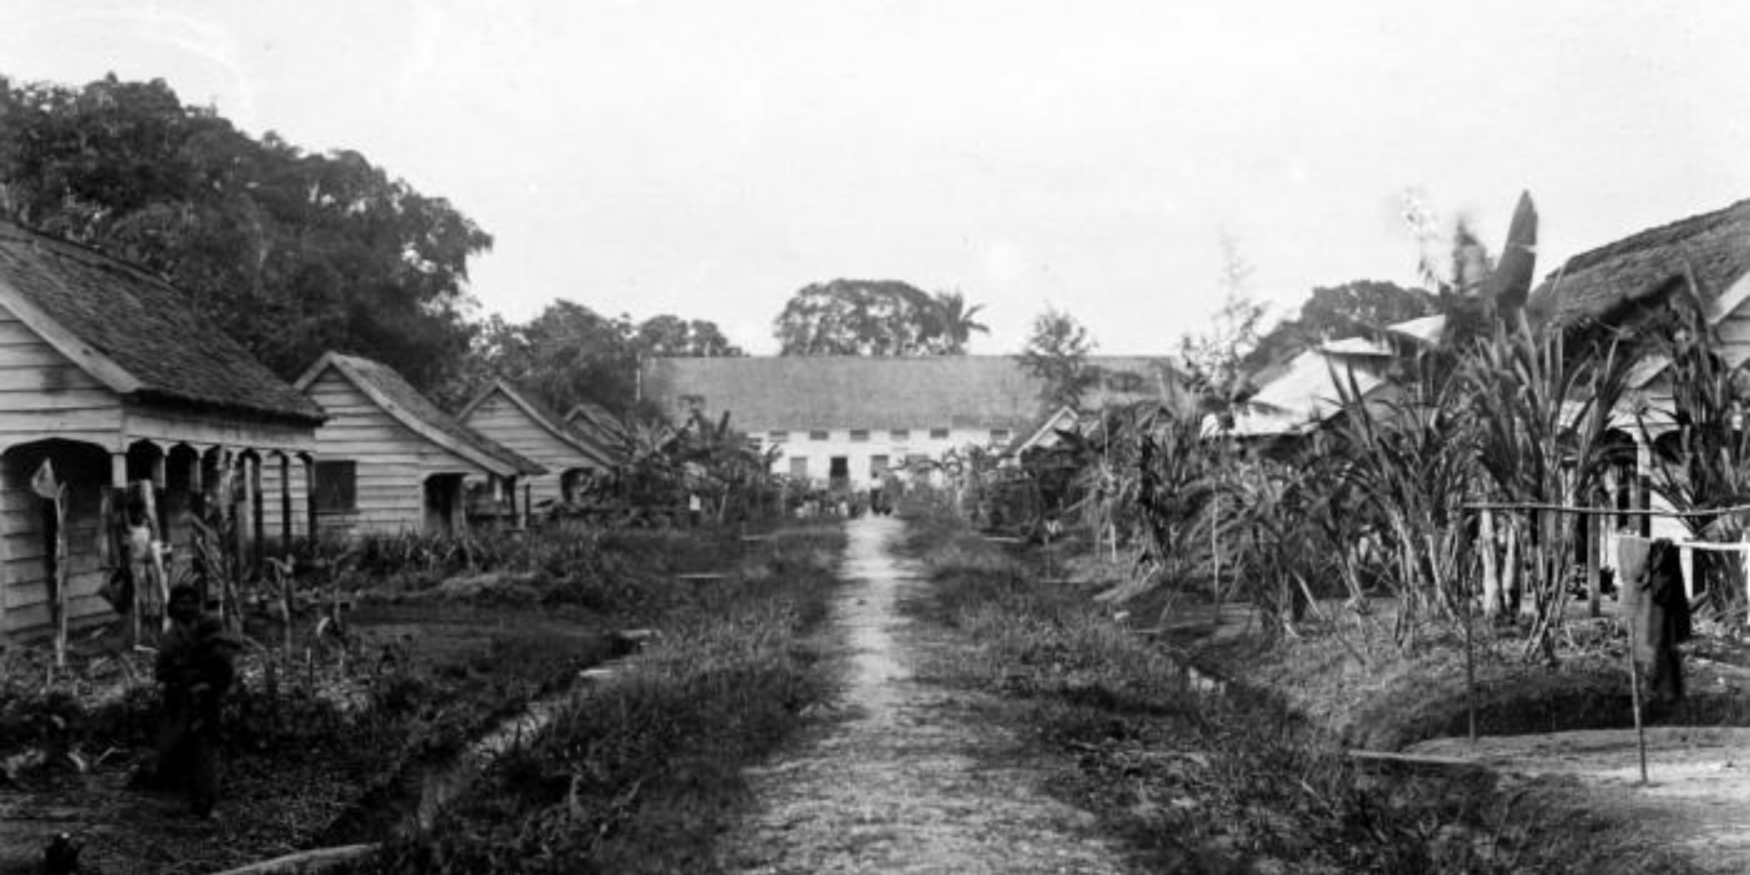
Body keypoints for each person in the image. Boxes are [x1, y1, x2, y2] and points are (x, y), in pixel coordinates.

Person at [153, 584, 238, 816]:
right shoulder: (172, 635)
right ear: (173, 606)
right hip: (178, 701)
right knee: (177, 749)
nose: (186, 607)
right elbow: (162, 670)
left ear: (197, 604)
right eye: (181, 602)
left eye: (191, 601)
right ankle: (185, 801)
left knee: (205, 751)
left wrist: (209, 684)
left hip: (206, 699)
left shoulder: (211, 626)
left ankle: (207, 803)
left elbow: (223, 664)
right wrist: (178, 680)